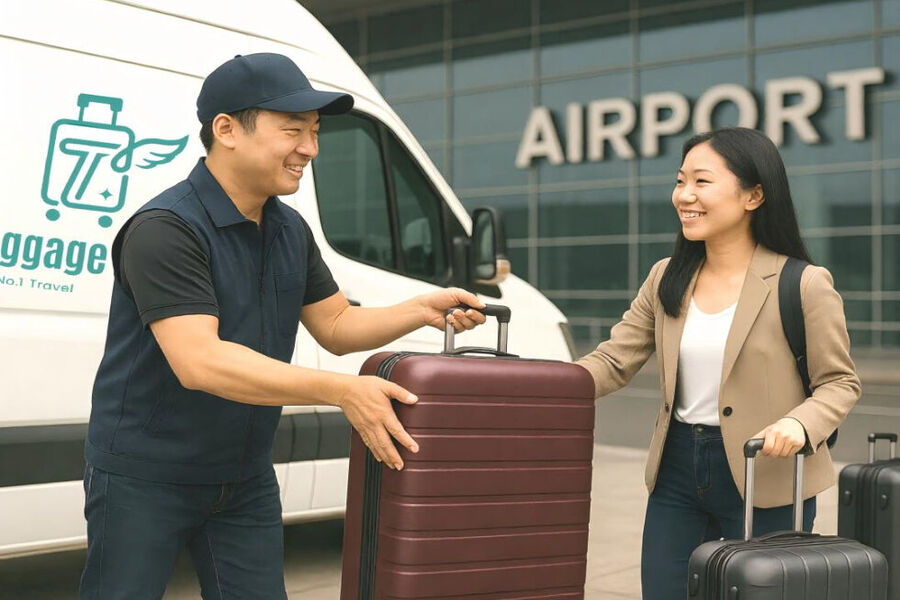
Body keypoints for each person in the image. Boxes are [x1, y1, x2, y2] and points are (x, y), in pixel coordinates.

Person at [80, 52, 487, 599]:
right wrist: (342, 392)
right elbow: (199, 361)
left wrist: (421, 309)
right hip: (145, 477)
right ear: (225, 129)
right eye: (293, 130)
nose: (310, 149)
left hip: (243, 478)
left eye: (315, 132)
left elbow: (337, 325)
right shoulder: (166, 229)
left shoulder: (288, 228)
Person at [575, 127, 860, 600]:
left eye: (701, 182)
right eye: (680, 181)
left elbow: (839, 383)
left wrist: (799, 422)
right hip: (677, 470)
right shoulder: (666, 277)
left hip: (766, 472)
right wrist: (536, 388)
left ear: (754, 195)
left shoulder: (804, 283)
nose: (684, 196)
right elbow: (611, 361)